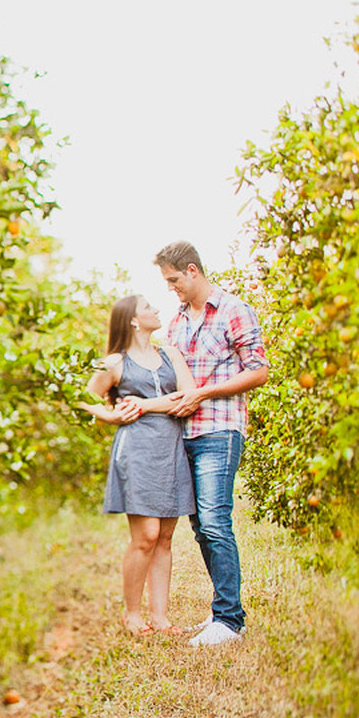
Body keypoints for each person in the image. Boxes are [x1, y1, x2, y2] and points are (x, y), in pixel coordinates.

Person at [153, 241, 269, 647]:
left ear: (192, 270)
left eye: (174, 281)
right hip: (186, 433)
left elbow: (258, 371)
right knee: (201, 524)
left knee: (216, 519)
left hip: (221, 429)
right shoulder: (177, 324)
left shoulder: (234, 310)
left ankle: (230, 621)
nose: (171, 289)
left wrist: (202, 394)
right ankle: (223, 610)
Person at [80, 294, 198, 637]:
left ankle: (160, 618)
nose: (156, 310)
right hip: (136, 452)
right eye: (148, 307)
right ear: (133, 319)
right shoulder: (115, 363)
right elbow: (80, 398)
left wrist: (144, 406)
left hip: (171, 449)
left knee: (164, 537)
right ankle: (132, 614)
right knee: (145, 536)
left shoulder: (170, 354)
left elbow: (187, 399)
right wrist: (112, 415)